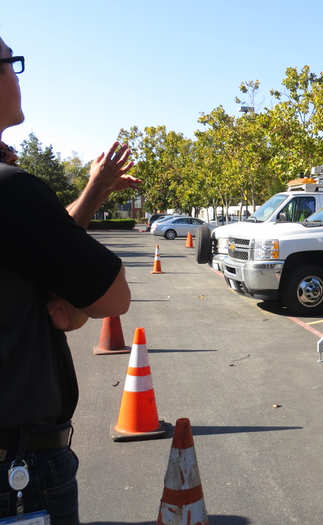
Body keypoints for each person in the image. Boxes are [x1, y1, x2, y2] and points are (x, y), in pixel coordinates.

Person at [0, 37, 140, 523]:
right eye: (11, 64)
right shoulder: (11, 191)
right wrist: (76, 301)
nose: (16, 76)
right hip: (18, 468)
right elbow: (112, 296)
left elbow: (41, 247)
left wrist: (94, 191)